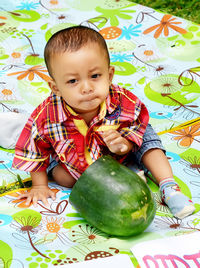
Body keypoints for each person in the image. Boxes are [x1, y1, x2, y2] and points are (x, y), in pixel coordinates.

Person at [12, 25, 195, 219]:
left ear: (110, 75)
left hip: (123, 147)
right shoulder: (46, 116)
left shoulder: (122, 100)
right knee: (62, 177)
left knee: (150, 145)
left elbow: (137, 124)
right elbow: (34, 149)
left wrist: (124, 145)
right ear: (55, 87)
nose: (87, 87)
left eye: (95, 76)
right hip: (76, 159)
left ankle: (168, 186)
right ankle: (123, 181)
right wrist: (39, 186)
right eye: (73, 81)